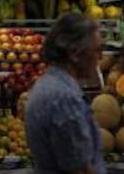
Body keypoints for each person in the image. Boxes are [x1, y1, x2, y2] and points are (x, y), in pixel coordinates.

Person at [25, 13, 106, 174]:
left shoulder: (46, 84)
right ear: (75, 54)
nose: (101, 57)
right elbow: (79, 168)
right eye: (97, 50)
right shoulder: (64, 99)